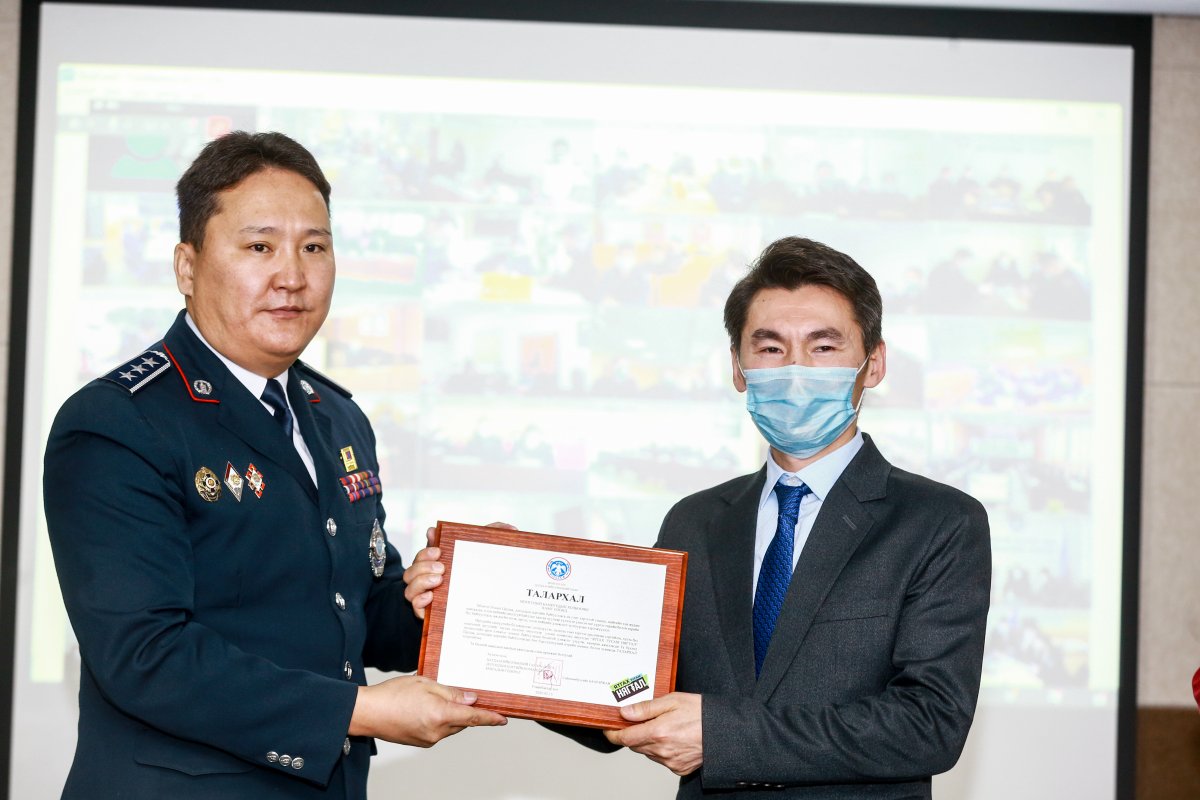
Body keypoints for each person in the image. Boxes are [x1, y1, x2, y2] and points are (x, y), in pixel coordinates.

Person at [409, 236, 991, 797]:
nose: (795, 369)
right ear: (738, 368)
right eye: (770, 348)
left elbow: (930, 724)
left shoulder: (940, 523)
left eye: (823, 347)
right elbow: (631, 690)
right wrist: (486, 612)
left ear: (874, 362)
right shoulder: (697, 521)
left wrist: (721, 737)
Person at [43, 131, 505, 800]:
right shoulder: (118, 422)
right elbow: (145, 656)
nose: (292, 276)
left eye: (314, 247)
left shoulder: (335, 415)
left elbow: (352, 609)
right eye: (260, 247)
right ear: (187, 266)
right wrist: (361, 711)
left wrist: (450, 595)